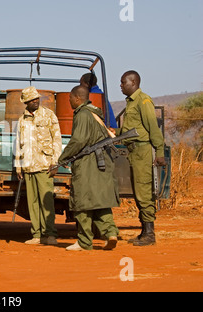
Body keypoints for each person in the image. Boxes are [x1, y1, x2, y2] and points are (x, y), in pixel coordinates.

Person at [52, 86, 120, 251]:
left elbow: (78, 141)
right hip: (101, 163)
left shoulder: (82, 115)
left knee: (82, 203)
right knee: (100, 201)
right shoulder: (95, 113)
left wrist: (61, 160)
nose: (68, 102)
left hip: (87, 164)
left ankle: (84, 241)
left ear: (77, 98)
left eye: (70, 99)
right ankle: (110, 233)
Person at [111, 70, 166, 246]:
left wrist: (159, 153)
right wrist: (116, 132)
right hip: (133, 151)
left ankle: (150, 234)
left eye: (123, 82)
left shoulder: (144, 101)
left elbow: (153, 129)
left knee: (143, 192)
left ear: (133, 82)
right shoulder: (131, 103)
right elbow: (131, 130)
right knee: (138, 192)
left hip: (142, 152)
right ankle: (144, 232)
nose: (120, 86)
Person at [15, 86, 62, 245]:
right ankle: (36, 235)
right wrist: (18, 166)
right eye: (31, 100)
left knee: (46, 201)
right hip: (28, 166)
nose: (35, 101)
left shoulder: (49, 116)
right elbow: (18, 143)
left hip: (44, 165)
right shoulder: (22, 120)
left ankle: (50, 234)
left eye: (36, 98)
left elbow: (57, 140)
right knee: (32, 202)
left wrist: (55, 161)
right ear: (26, 103)